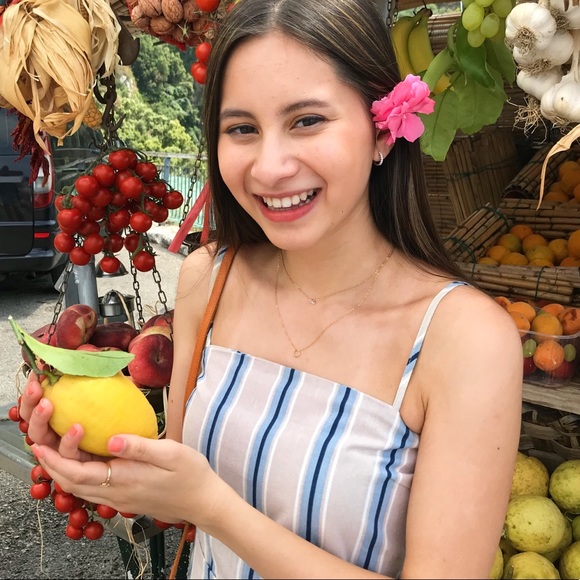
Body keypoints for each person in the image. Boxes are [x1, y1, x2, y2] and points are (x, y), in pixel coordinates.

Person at [20, 0, 523, 577]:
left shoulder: (465, 340)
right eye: (242, 129)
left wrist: (214, 509)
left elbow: (200, 501)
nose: (269, 167)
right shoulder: (209, 279)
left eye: (307, 121)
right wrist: (94, 454)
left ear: (382, 129)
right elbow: (174, 487)